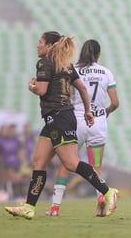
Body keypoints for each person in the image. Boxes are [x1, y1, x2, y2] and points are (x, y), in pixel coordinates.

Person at [5, 31, 118, 220]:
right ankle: (29, 206)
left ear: (49, 46)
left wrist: (32, 87)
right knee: (38, 162)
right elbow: (82, 88)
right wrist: (88, 111)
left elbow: (42, 90)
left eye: (40, 42)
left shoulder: (44, 63)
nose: (37, 45)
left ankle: (108, 192)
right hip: (53, 119)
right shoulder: (65, 64)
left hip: (60, 117)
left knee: (71, 163)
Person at [45, 39, 119, 217]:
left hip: (76, 121)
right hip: (98, 122)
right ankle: (101, 203)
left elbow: (66, 95)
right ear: (98, 54)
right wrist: (106, 111)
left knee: (67, 164)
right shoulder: (106, 72)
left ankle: (55, 207)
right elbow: (115, 103)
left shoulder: (74, 70)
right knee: (96, 167)